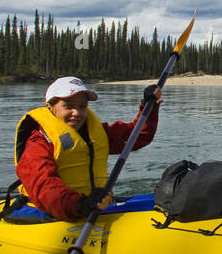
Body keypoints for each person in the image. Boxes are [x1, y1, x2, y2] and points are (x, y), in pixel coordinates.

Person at [14, 76, 162, 221]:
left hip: (92, 207)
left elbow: (138, 136)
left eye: (82, 106)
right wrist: (81, 205)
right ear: (50, 108)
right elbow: (44, 187)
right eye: (68, 106)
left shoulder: (95, 133)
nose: (77, 113)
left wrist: (149, 107)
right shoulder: (38, 142)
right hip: (52, 211)